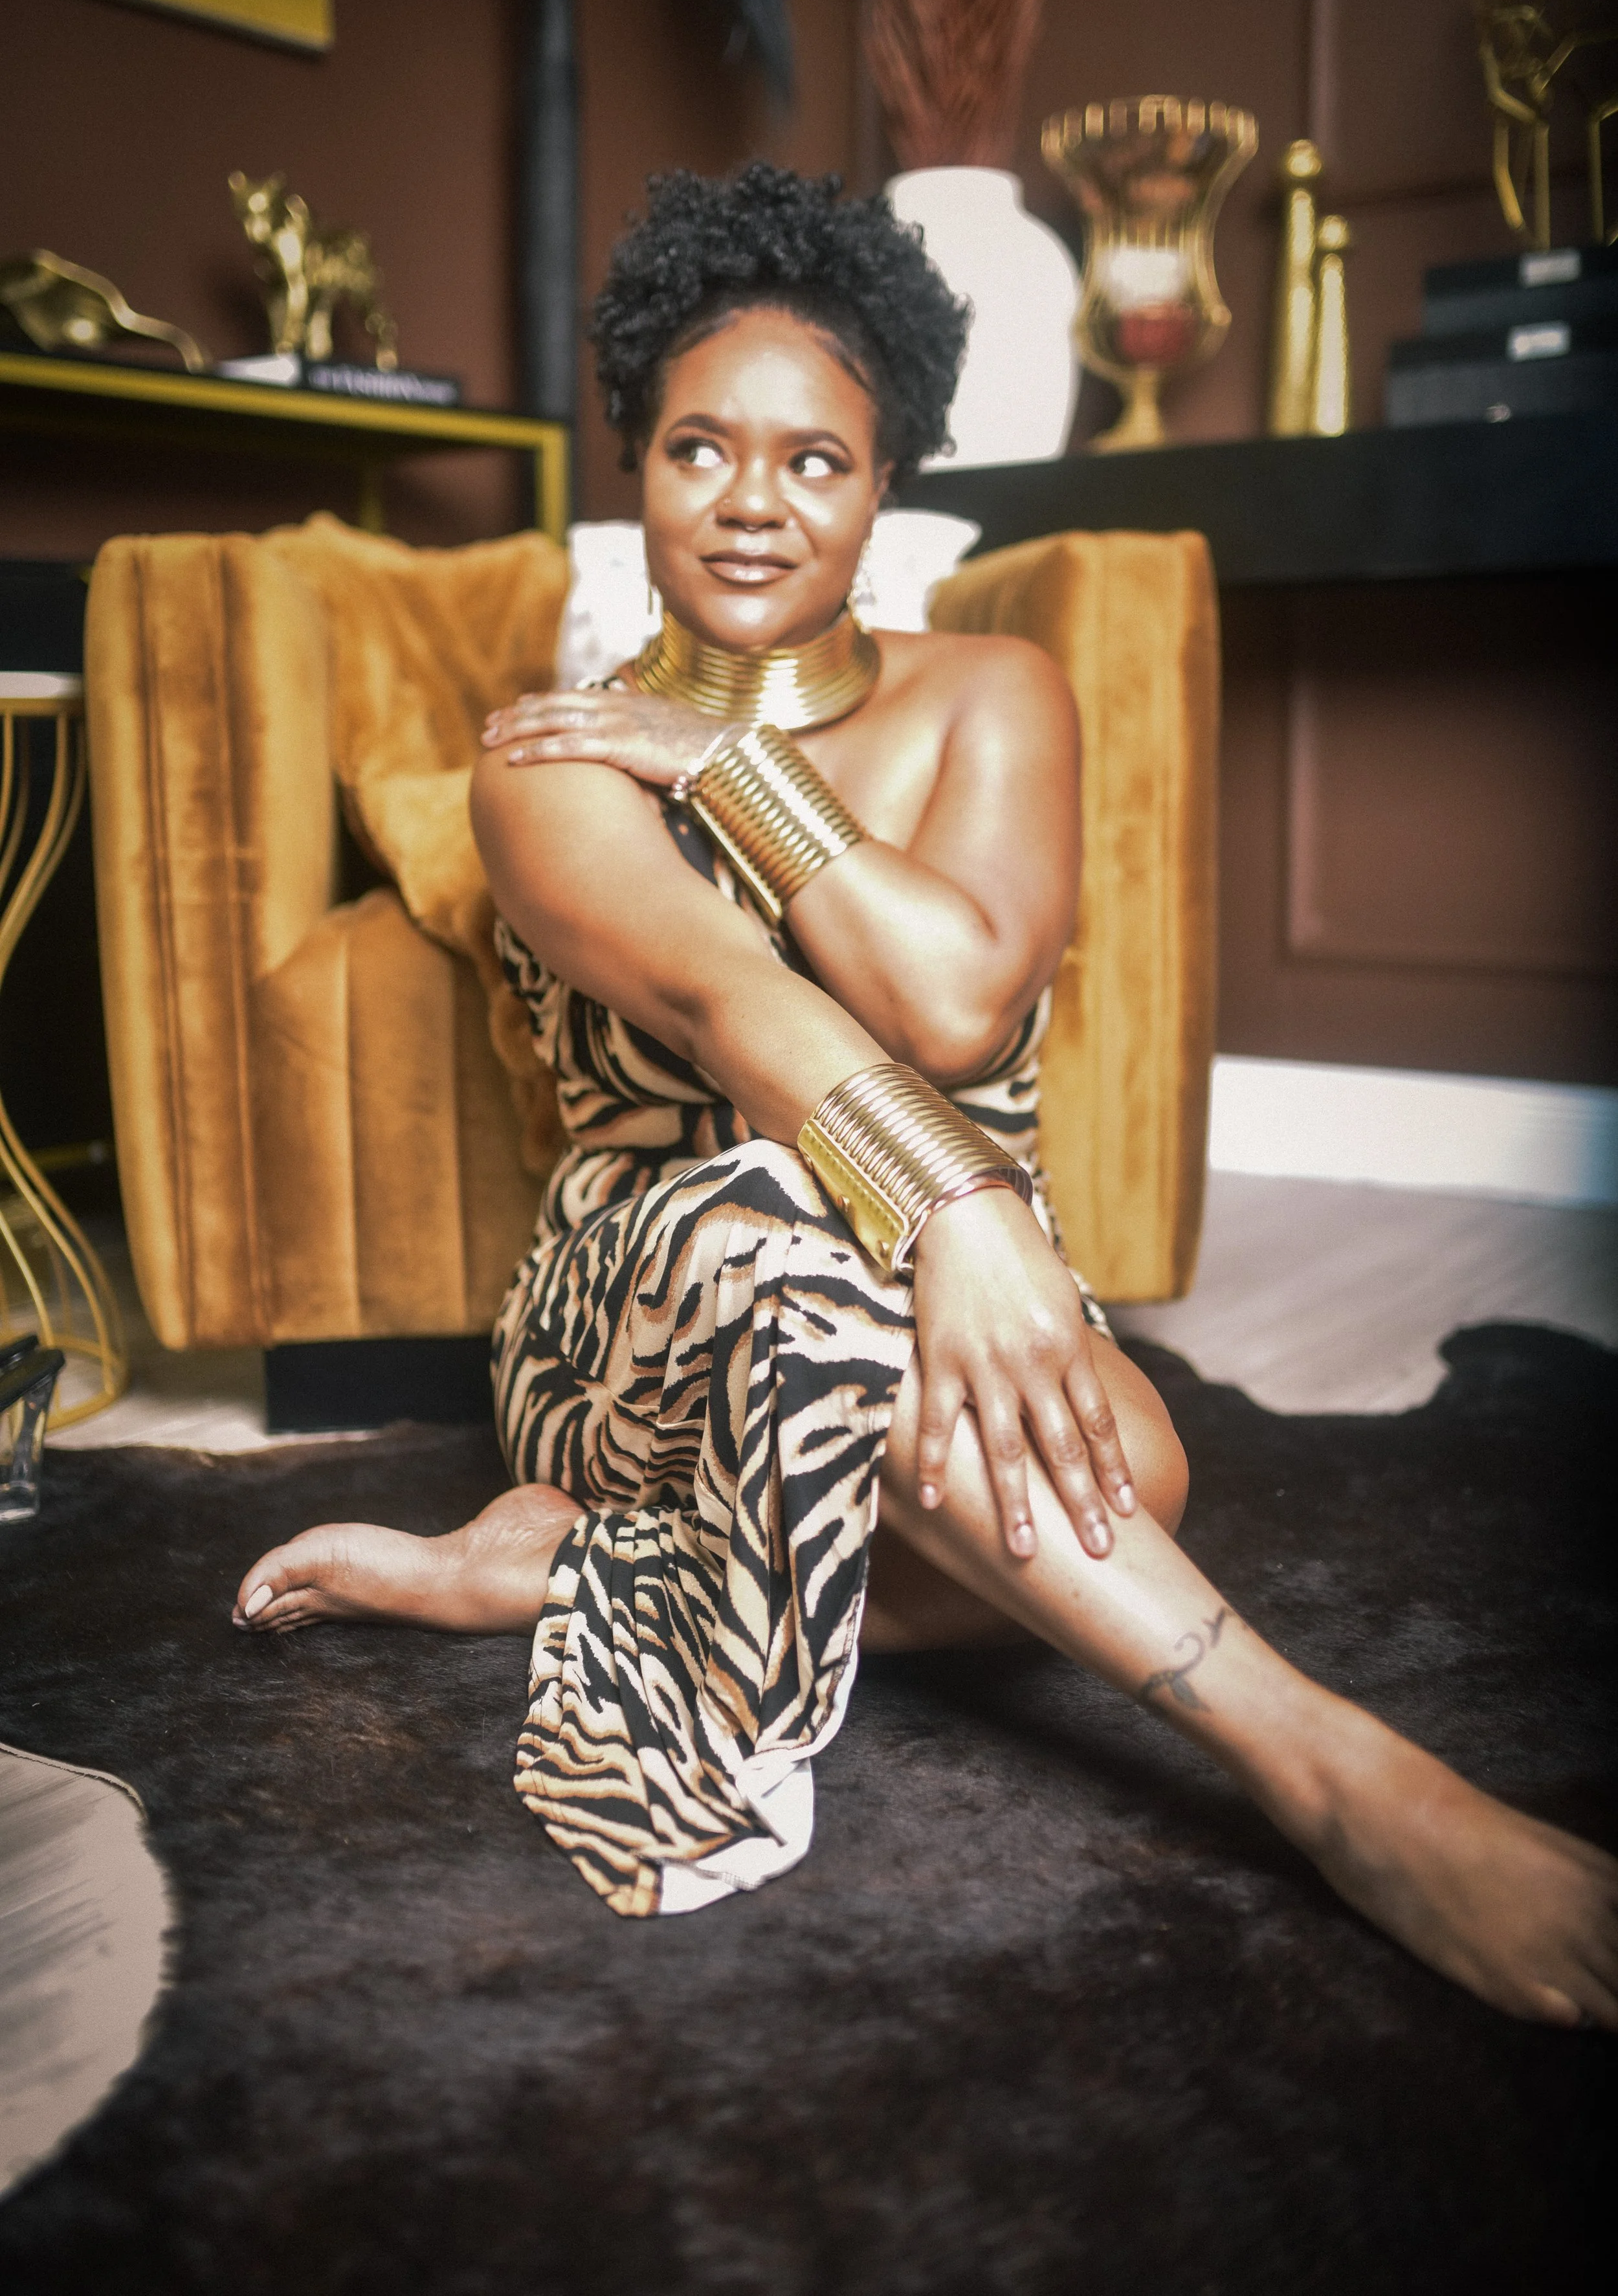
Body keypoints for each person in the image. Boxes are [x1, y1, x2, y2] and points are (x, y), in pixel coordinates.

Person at [234, 164, 1617, 2016]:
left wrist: (732, 763)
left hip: (953, 1248)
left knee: (1132, 1476)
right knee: (847, 1308)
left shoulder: (994, 688)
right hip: (660, 1273)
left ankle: (575, 1566)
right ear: (632, 463)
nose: (750, 502)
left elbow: (956, 999)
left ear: (885, 489)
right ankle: (1337, 1774)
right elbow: (734, 1004)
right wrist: (958, 1206)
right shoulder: (548, 766)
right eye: (698, 449)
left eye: (815, 461)